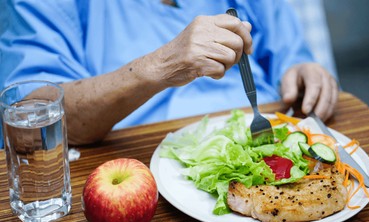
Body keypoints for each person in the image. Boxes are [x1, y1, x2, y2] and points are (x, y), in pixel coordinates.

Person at [0, 0, 338, 146]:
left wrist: (303, 71)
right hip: (139, 168)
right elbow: (29, 125)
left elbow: (288, 55)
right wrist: (161, 65)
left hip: (270, 135)